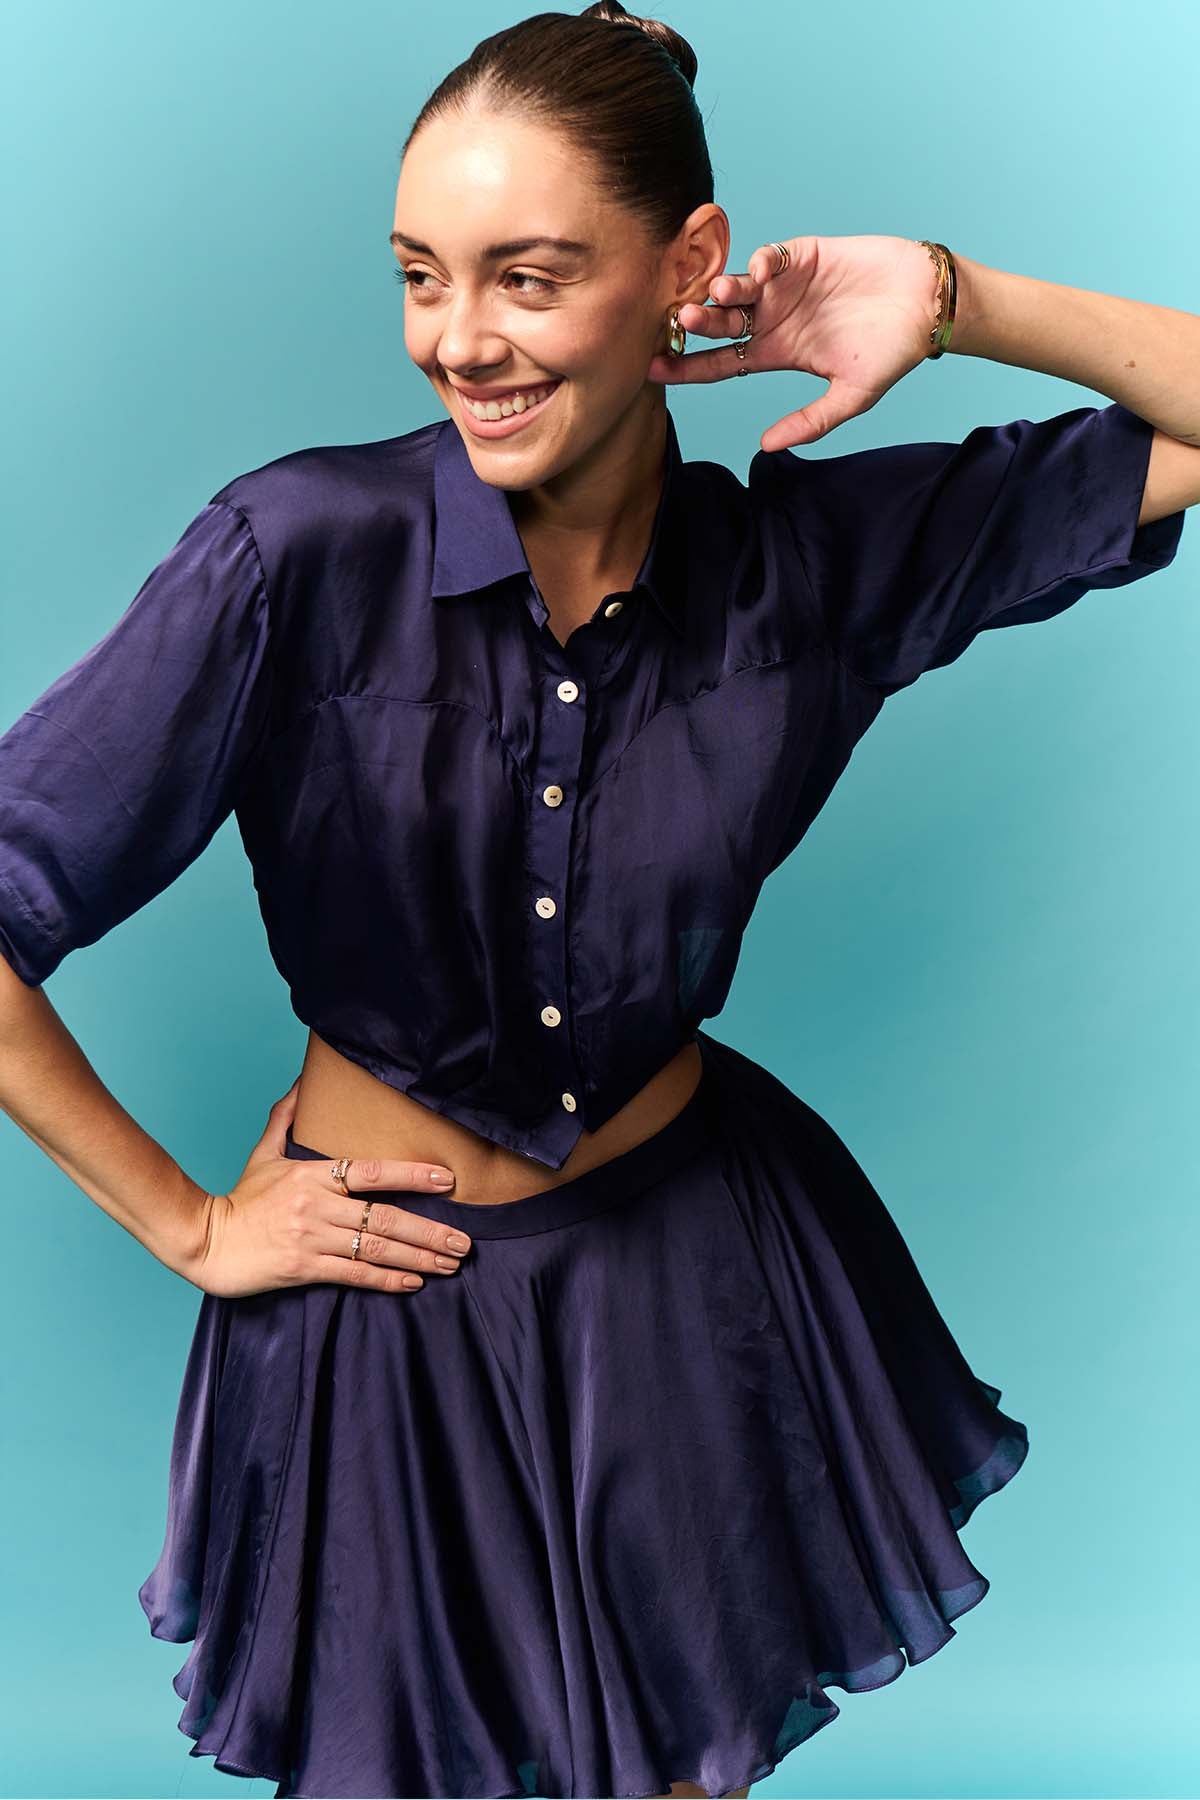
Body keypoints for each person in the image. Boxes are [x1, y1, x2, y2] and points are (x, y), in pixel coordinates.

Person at [1, 4, 1196, 1797]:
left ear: (684, 268)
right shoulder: (293, 556)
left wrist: (951, 298)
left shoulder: (810, 566)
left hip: (687, 1283)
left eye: (528, 279)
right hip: (383, 1315)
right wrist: (187, 1224)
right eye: (421, 278)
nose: (457, 342)